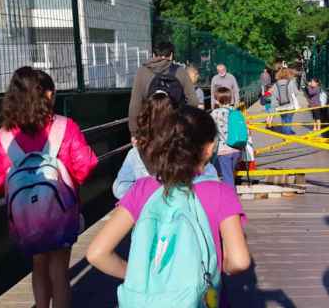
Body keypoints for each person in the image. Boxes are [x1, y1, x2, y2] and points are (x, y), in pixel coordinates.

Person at [86, 106, 250, 306]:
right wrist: (224, 266)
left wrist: (144, 276)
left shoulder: (142, 189)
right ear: (209, 148)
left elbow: (96, 253)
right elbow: (239, 261)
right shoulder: (220, 193)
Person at [0, 67, 97, 308]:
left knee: (38, 265)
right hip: (61, 212)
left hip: (26, 218)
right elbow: (86, 164)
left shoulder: (5, 136)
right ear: (47, 95)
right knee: (59, 270)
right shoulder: (65, 126)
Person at [128, 42, 199, 140]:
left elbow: (135, 104)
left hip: (150, 130)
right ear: (171, 55)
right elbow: (194, 102)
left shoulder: (143, 71)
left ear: (153, 55)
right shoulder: (180, 71)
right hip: (174, 130)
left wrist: (134, 132)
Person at [210, 87, 242, 188]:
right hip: (237, 149)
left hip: (224, 151)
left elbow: (210, 131)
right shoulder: (235, 112)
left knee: (227, 177)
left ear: (216, 100)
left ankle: (230, 199)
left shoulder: (215, 113)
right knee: (230, 174)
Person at [273, 69, 299, 135]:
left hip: (280, 106)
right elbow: (296, 93)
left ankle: (285, 132)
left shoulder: (275, 84)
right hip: (290, 105)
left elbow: (274, 95)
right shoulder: (290, 82)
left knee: (283, 119)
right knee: (289, 120)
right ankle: (288, 133)